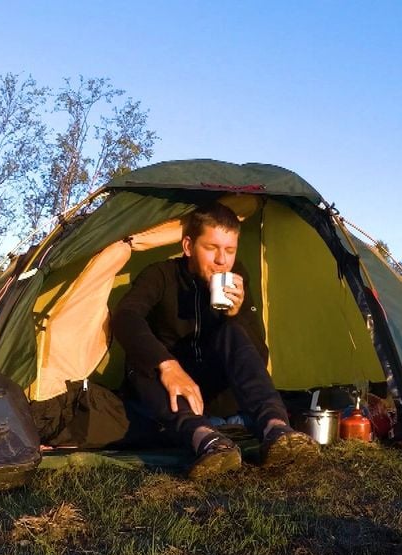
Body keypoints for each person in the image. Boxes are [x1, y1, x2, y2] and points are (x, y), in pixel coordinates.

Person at [112, 202, 319, 479]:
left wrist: (237, 315)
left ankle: (276, 430)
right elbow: (125, 317)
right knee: (142, 361)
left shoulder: (238, 278)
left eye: (230, 250)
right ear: (188, 246)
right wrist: (167, 365)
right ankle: (208, 441)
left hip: (218, 394)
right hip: (172, 394)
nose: (222, 260)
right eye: (211, 248)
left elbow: (258, 357)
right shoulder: (160, 275)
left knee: (232, 333)